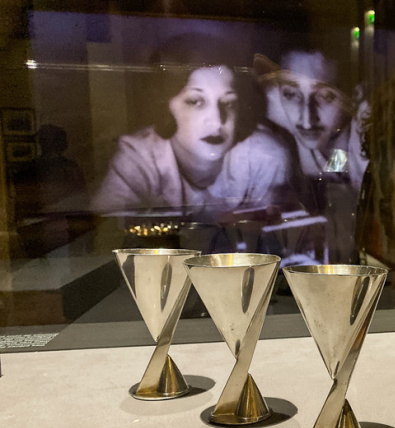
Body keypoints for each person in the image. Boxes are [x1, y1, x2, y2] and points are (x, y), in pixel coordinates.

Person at [92, 34, 299, 220]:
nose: (217, 121)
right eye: (195, 101)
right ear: (165, 105)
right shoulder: (136, 157)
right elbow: (108, 237)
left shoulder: (267, 155)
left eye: (228, 103)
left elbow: (271, 240)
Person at [254, 50, 368, 262]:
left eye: (325, 96)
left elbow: (337, 172)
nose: (307, 120)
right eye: (291, 94)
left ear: (352, 96)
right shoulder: (274, 118)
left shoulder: (357, 141)